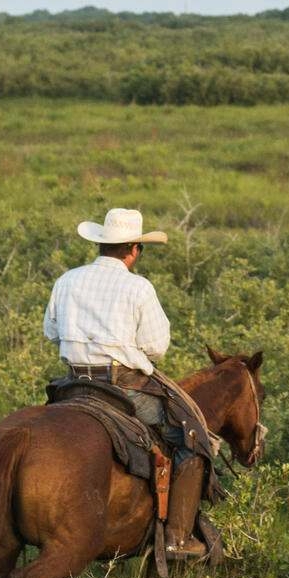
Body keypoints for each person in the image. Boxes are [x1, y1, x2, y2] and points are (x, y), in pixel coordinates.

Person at [43, 207, 213, 558]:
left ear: (101, 244)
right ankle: (177, 537)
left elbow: (51, 332)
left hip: (72, 384)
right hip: (122, 388)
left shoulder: (67, 280)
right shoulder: (138, 287)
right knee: (192, 437)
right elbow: (157, 347)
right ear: (134, 249)